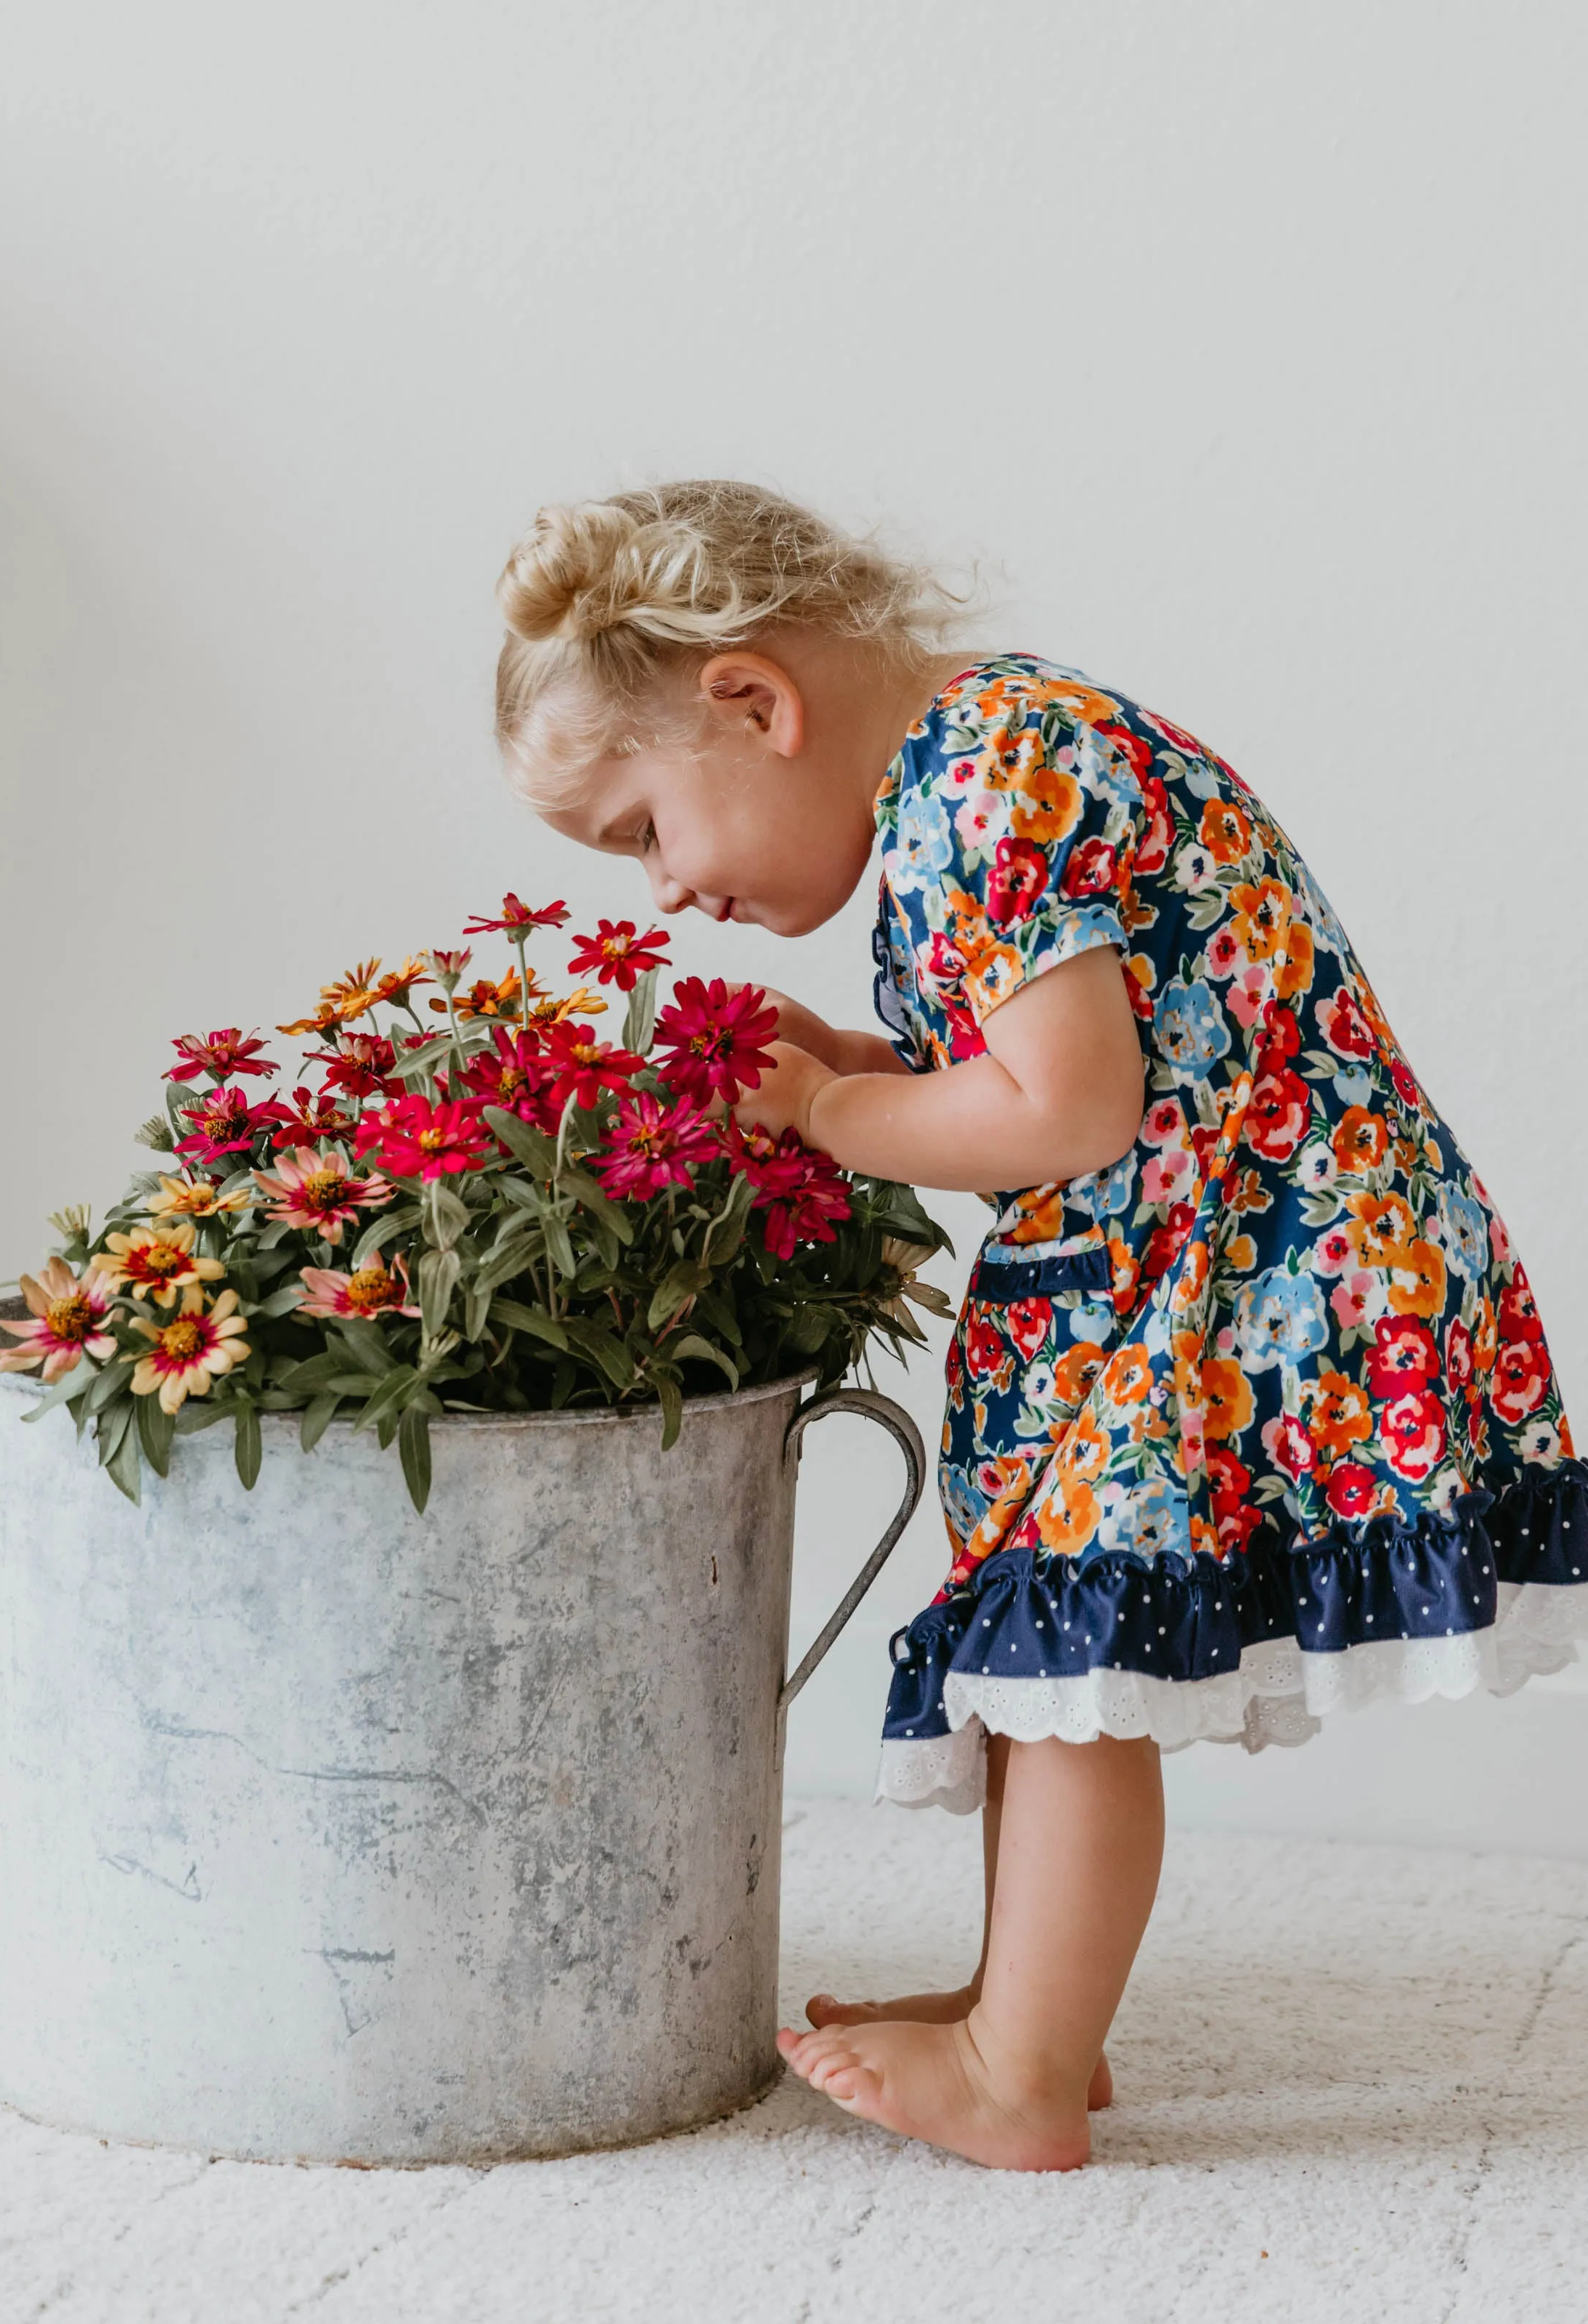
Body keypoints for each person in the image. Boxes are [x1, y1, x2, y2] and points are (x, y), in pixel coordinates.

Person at [492, 480, 1585, 2170]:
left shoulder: (987, 776)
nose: (662, 892)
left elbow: (1066, 1113)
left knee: (1074, 1664)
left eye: (644, 829)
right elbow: (1042, 1074)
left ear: (751, 704)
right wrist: (859, 1068)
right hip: (1206, 1247)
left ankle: (1023, 2068)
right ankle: (1033, 2017)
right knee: (1041, 1652)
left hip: (1254, 1261)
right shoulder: (981, 747)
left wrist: (832, 1118)